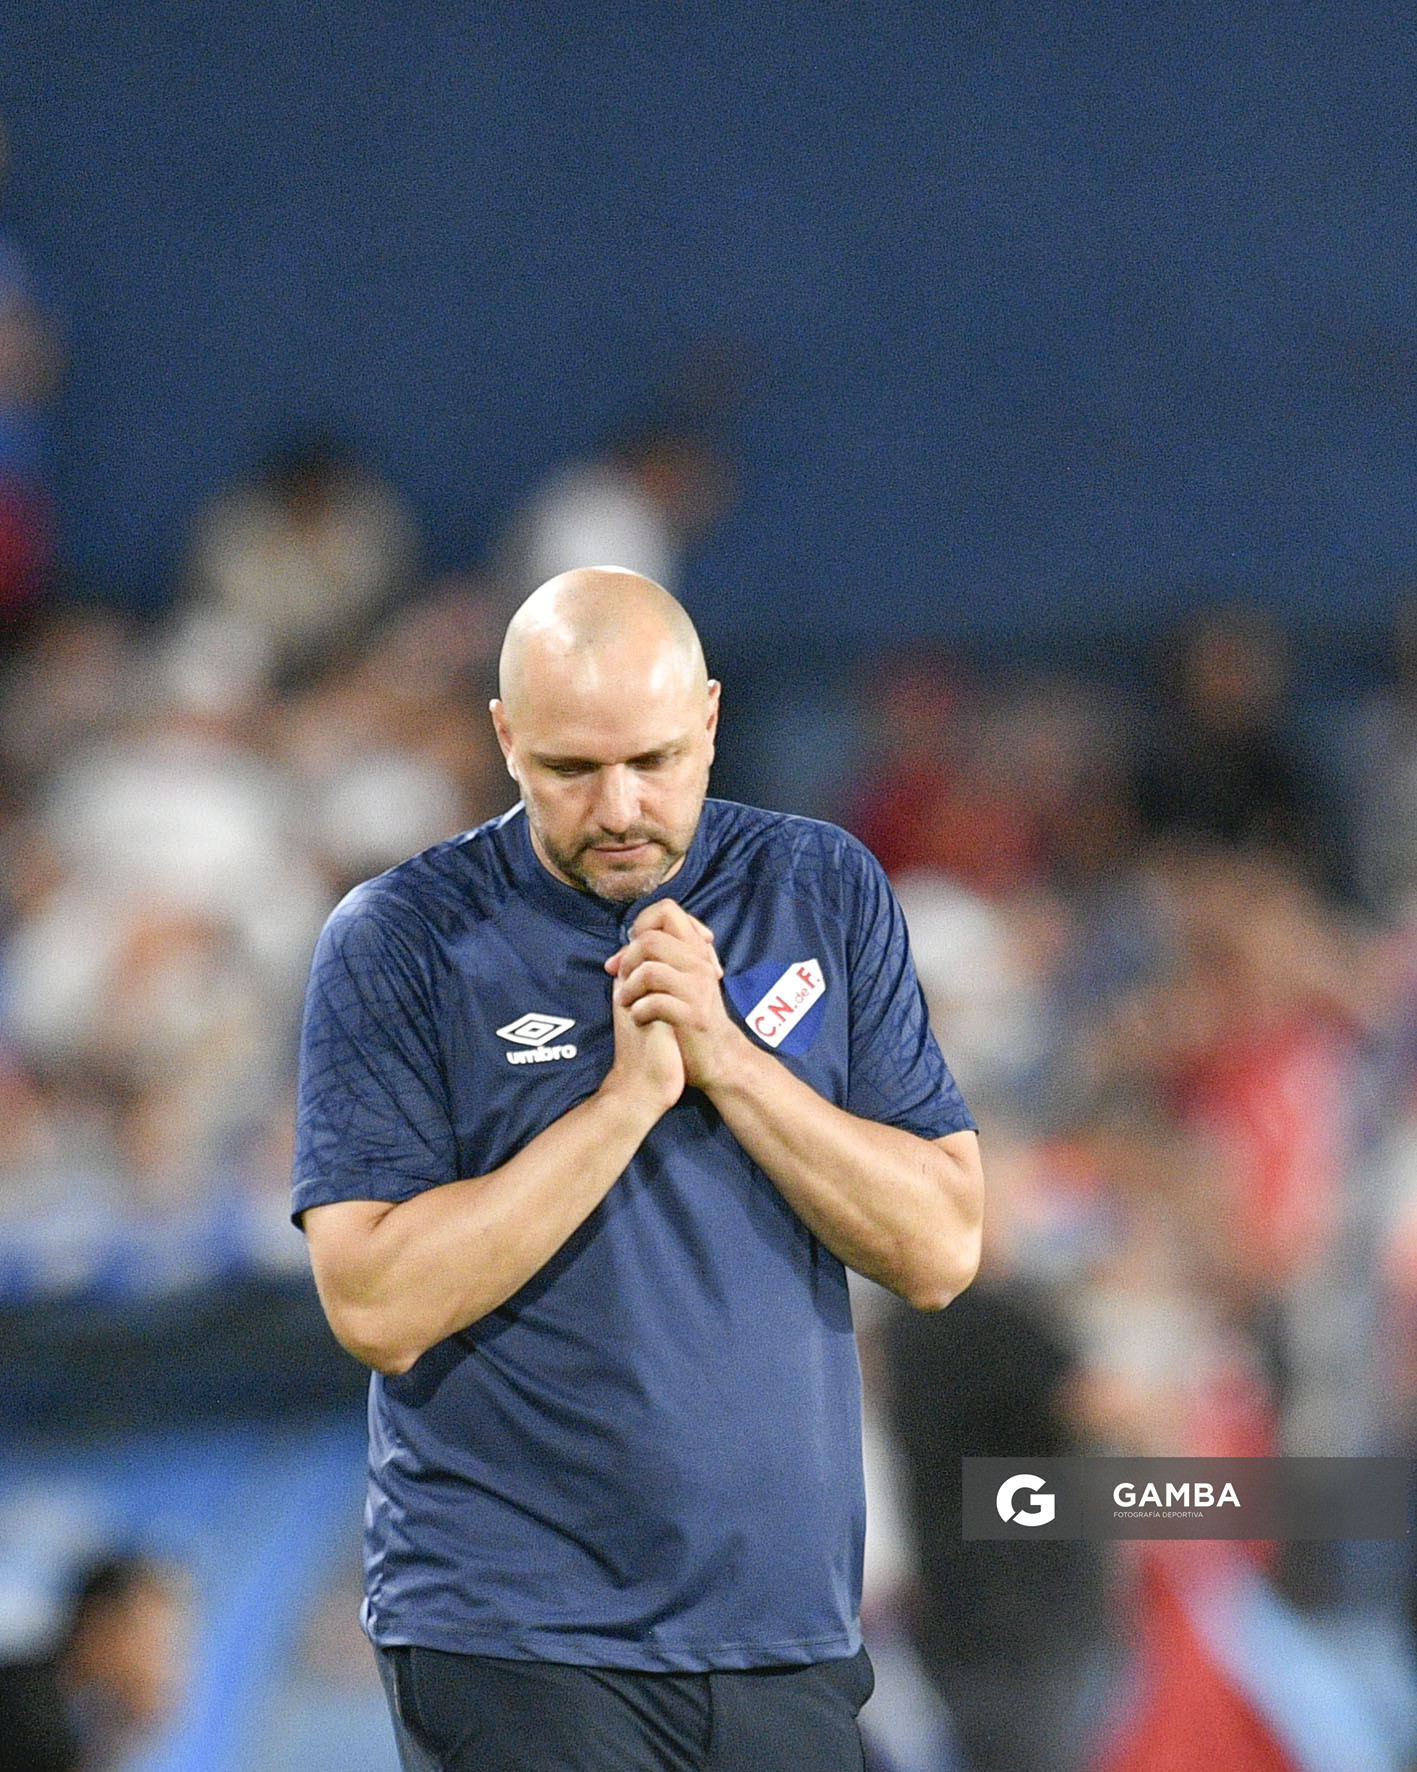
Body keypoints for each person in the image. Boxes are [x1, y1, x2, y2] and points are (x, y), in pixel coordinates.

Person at [293, 567, 983, 1772]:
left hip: (785, 1633)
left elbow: (939, 1246)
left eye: (653, 760)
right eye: (571, 768)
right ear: (505, 738)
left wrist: (729, 1059)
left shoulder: (819, 888)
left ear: (709, 718)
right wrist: (623, 1103)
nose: (618, 807)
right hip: (512, 1636)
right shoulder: (401, 938)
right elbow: (376, 1304)